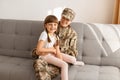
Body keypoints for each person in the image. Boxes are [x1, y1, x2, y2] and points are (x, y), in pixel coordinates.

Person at [36, 15, 84, 80]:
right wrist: (51, 50)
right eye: (50, 24)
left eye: (55, 24)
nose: (53, 27)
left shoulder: (56, 36)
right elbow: (38, 49)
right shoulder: (44, 34)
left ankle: (74, 62)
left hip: (53, 54)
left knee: (73, 59)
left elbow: (57, 51)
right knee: (65, 65)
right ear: (45, 25)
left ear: (57, 25)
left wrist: (60, 60)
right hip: (45, 56)